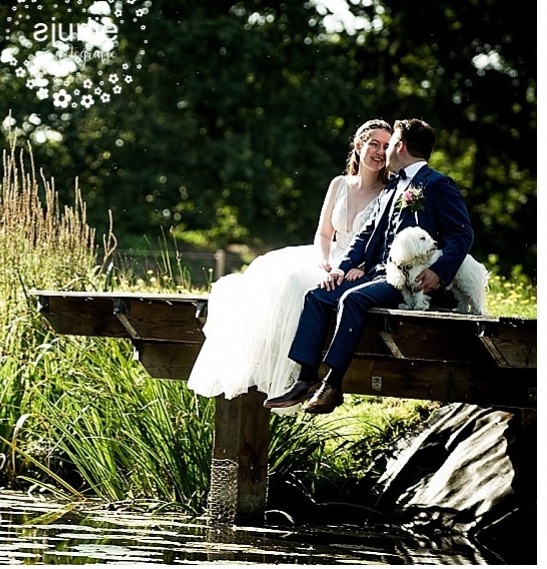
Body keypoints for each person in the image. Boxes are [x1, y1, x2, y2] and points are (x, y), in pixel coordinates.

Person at [264, 118, 474, 415]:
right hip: (378, 273)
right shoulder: (392, 187)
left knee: (352, 299)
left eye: (390, 145)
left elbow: (462, 234)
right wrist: (341, 268)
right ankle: (305, 378)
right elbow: (364, 236)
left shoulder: (437, 184)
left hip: (409, 280)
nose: (385, 151)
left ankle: (332, 385)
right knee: (317, 296)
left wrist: (439, 272)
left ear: (400, 146)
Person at [186, 119, 392, 412]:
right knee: (280, 277)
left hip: (358, 265)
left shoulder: (389, 191)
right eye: (374, 144)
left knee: (302, 287)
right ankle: (264, 365)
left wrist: (357, 266)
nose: (380, 152)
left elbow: (382, 239)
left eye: (386, 146)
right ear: (358, 146)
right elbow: (323, 233)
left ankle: (298, 377)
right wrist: (323, 260)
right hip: (328, 256)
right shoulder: (339, 184)